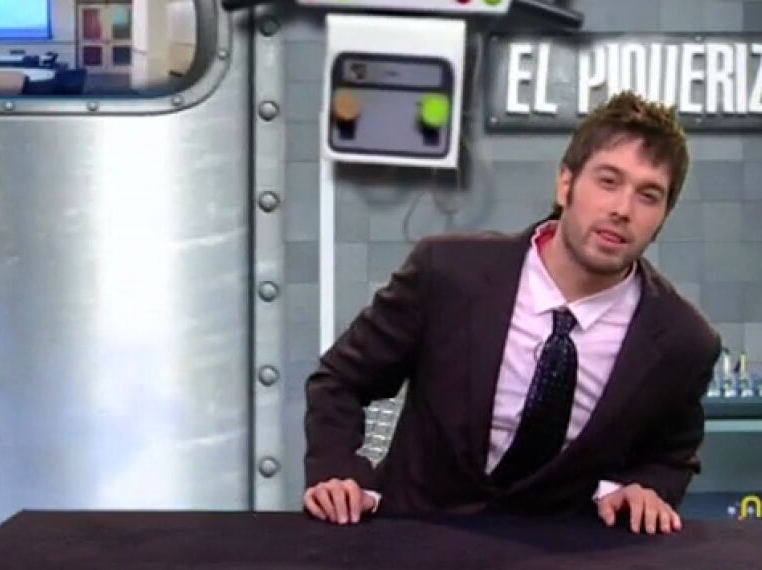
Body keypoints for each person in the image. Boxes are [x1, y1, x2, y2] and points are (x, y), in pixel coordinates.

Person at [303, 91, 721, 535]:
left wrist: (645, 486)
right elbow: (341, 381)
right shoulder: (446, 274)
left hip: (561, 552)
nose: (622, 210)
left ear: (663, 216)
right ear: (565, 185)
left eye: (648, 195)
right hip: (413, 539)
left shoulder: (682, 340)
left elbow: (671, 453)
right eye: (608, 181)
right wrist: (339, 470)